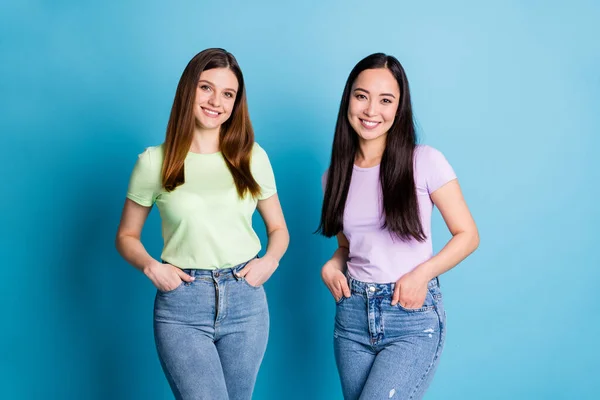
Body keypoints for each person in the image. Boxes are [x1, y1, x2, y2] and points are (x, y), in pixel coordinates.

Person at [115, 48, 289, 400]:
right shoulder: (155, 162)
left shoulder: (252, 157)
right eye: (206, 88)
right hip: (183, 305)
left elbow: (279, 230)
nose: (216, 101)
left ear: (236, 103)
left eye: (228, 94)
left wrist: (269, 262)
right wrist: (152, 266)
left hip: (246, 301)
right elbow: (126, 235)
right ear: (188, 90)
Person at [318, 53, 479, 400]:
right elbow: (349, 247)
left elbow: (468, 235)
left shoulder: (425, 161)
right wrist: (333, 264)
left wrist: (422, 274)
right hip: (352, 317)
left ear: (399, 108)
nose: (371, 110)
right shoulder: (333, 177)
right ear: (349, 99)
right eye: (362, 96)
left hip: (410, 317)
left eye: (385, 100)